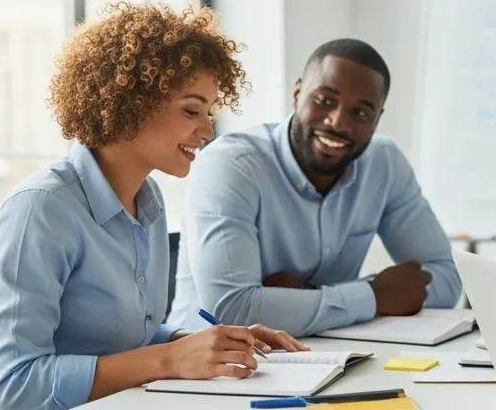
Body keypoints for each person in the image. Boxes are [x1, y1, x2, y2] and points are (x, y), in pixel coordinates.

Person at [0, 2, 305, 410]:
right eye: (192, 110)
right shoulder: (39, 212)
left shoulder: (149, 202)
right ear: (131, 102)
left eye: (209, 112)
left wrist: (204, 344)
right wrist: (169, 358)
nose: (207, 130)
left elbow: (126, 341)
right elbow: (15, 387)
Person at [169, 38, 462, 335]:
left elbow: (448, 280)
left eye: (360, 112)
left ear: (377, 119)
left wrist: (312, 293)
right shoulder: (231, 164)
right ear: (297, 94)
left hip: (325, 357)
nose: (338, 122)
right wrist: (374, 295)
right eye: (325, 100)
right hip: (208, 370)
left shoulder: (384, 163)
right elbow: (233, 310)